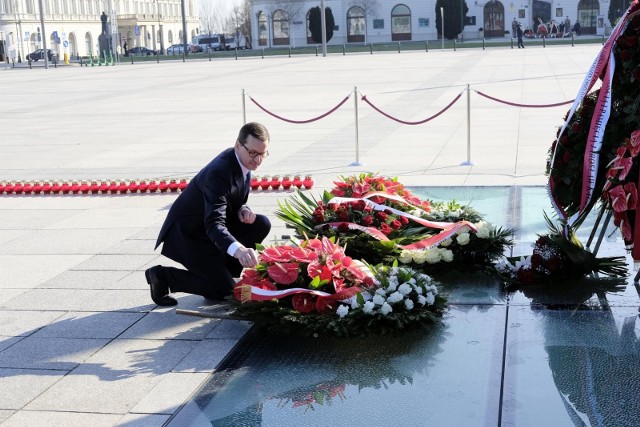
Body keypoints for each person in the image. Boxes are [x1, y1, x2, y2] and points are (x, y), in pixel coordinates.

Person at [145, 122, 272, 306]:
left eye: (263, 154)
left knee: (261, 223)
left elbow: (232, 196)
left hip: (210, 229)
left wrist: (242, 208)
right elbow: (214, 223)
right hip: (191, 235)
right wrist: (240, 250)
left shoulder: (244, 161)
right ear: (238, 145)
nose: (258, 160)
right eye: (253, 153)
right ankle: (163, 276)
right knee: (227, 292)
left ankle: (222, 273)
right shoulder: (219, 172)